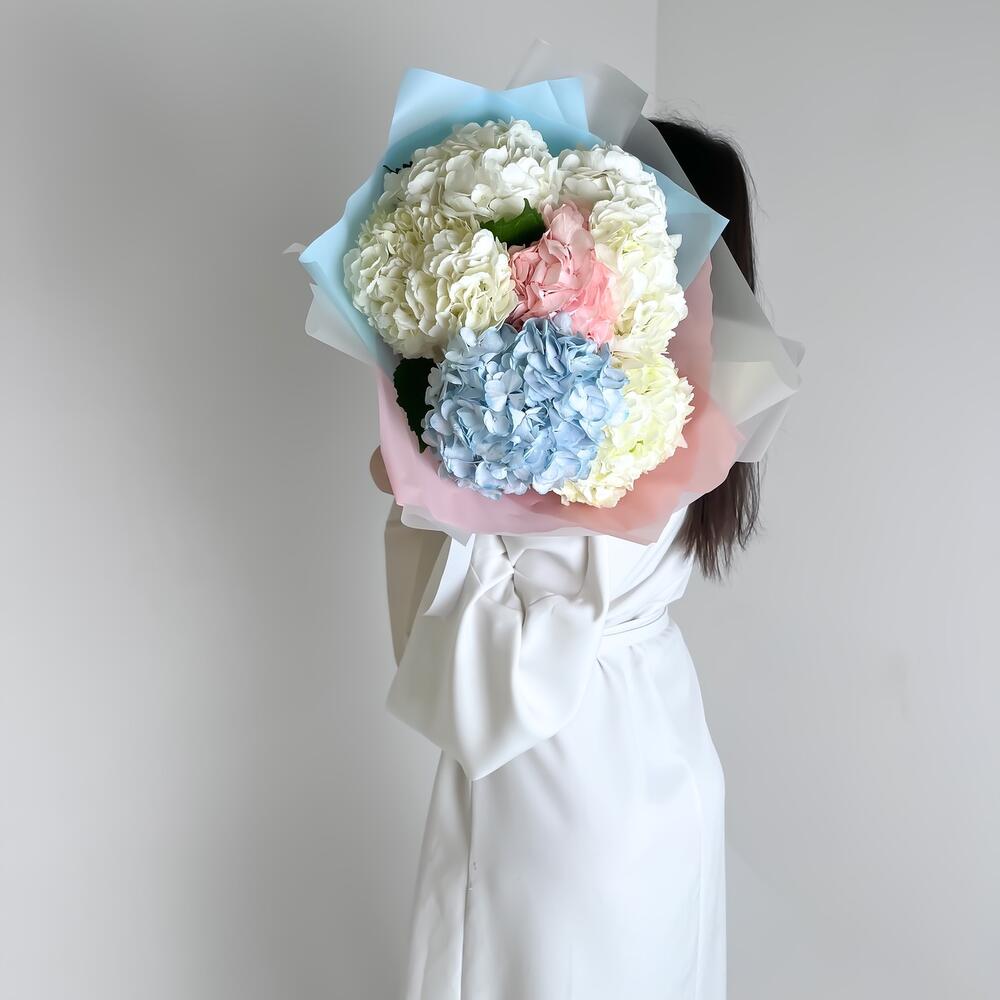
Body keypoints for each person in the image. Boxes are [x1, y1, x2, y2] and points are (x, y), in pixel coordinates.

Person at [370, 118, 761, 1000]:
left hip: (563, 765)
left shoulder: (586, 412)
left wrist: (431, 440)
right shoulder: (698, 407)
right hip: (666, 747)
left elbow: (445, 531)